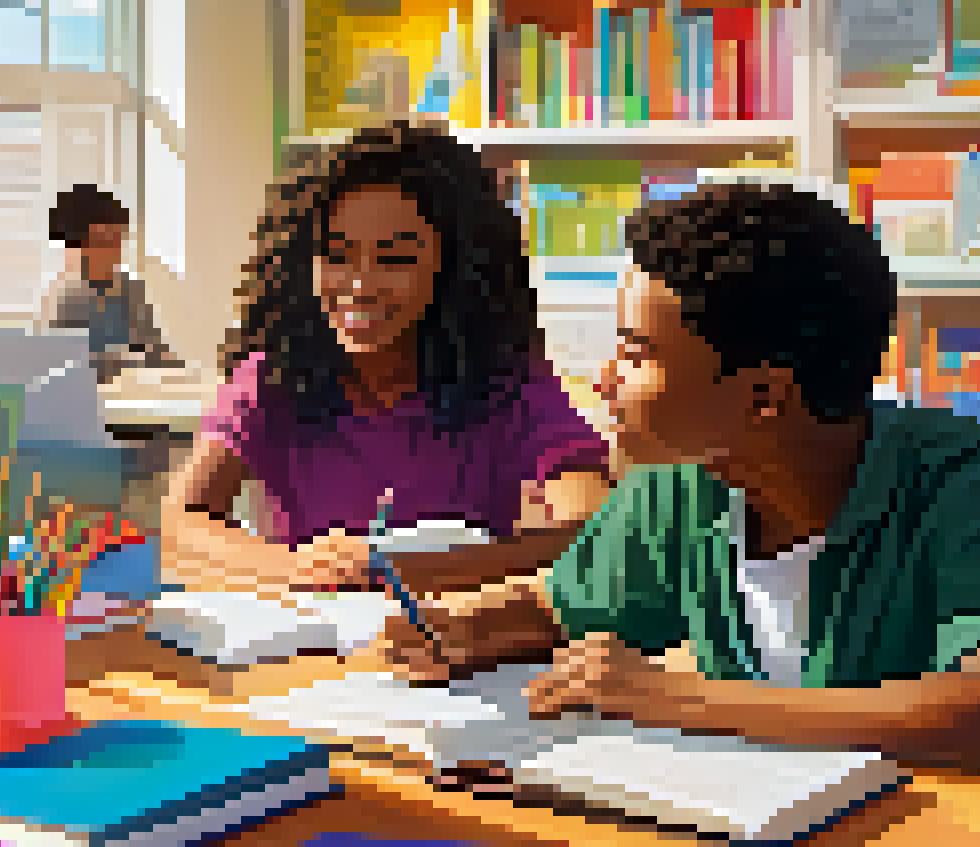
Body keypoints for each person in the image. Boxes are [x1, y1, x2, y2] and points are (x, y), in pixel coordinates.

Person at [377, 182, 980, 786]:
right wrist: (460, 629)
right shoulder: (681, 483)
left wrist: (681, 698)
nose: (604, 381)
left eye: (636, 353)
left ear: (764, 397)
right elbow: (564, 607)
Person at [166, 124, 613, 595]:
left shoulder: (510, 384)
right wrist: (295, 567)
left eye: (394, 259)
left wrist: (409, 571)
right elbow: (181, 524)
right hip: (310, 633)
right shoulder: (275, 375)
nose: (360, 286)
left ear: (453, 268)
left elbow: (591, 531)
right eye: (336, 256)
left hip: (452, 633)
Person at [40, 183, 182, 383]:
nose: (113, 249)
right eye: (102, 241)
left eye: (117, 239)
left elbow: (157, 353)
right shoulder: (65, 298)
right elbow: (64, 365)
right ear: (81, 245)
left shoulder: (131, 291)